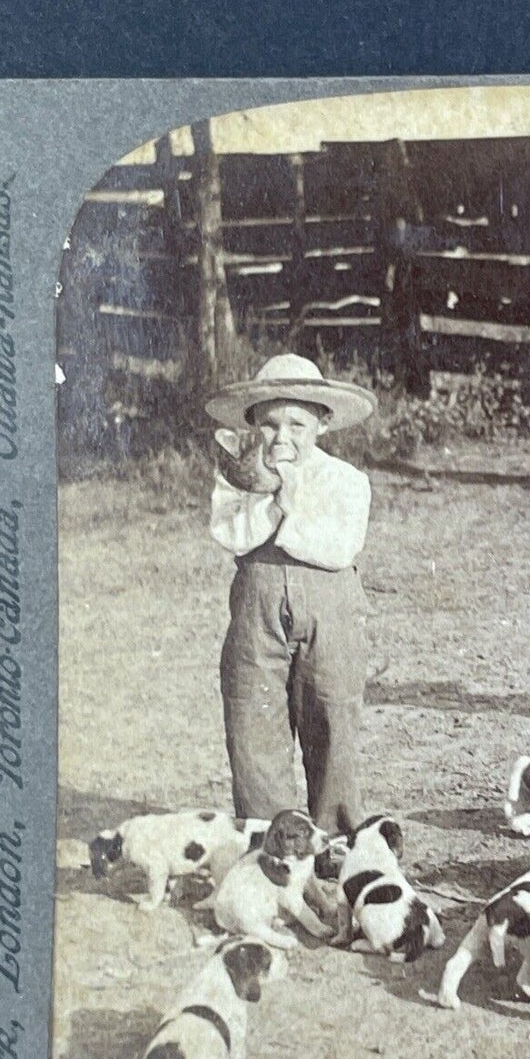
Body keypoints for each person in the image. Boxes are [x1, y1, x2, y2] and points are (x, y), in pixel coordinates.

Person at [205, 354, 377, 833]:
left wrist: (287, 505)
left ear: (322, 424)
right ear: (253, 425)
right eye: (271, 425)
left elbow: (339, 547)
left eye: (297, 424)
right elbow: (232, 535)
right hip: (256, 611)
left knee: (332, 717)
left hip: (331, 610)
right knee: (252, 723)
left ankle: (338, 840)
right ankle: (268, 840)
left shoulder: (345, 481)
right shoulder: (239, 478)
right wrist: (270, 496)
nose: (282, 438)